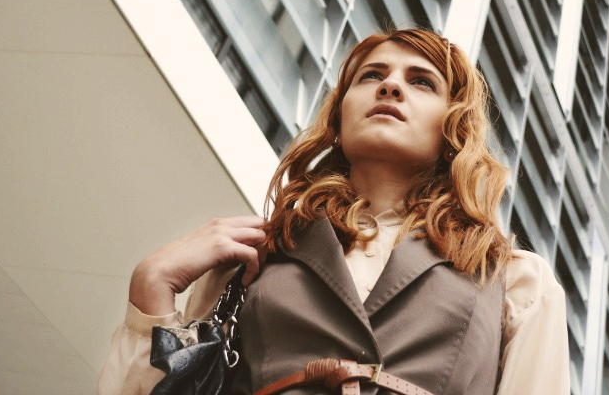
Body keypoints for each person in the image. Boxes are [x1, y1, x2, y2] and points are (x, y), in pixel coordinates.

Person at [98, 28, 569, 395]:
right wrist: (150, 293)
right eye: (371, 75)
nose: (390, 86)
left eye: (421, 81)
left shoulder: (516, 282)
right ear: (340, 116)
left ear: (454, 130)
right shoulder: (253, 258)